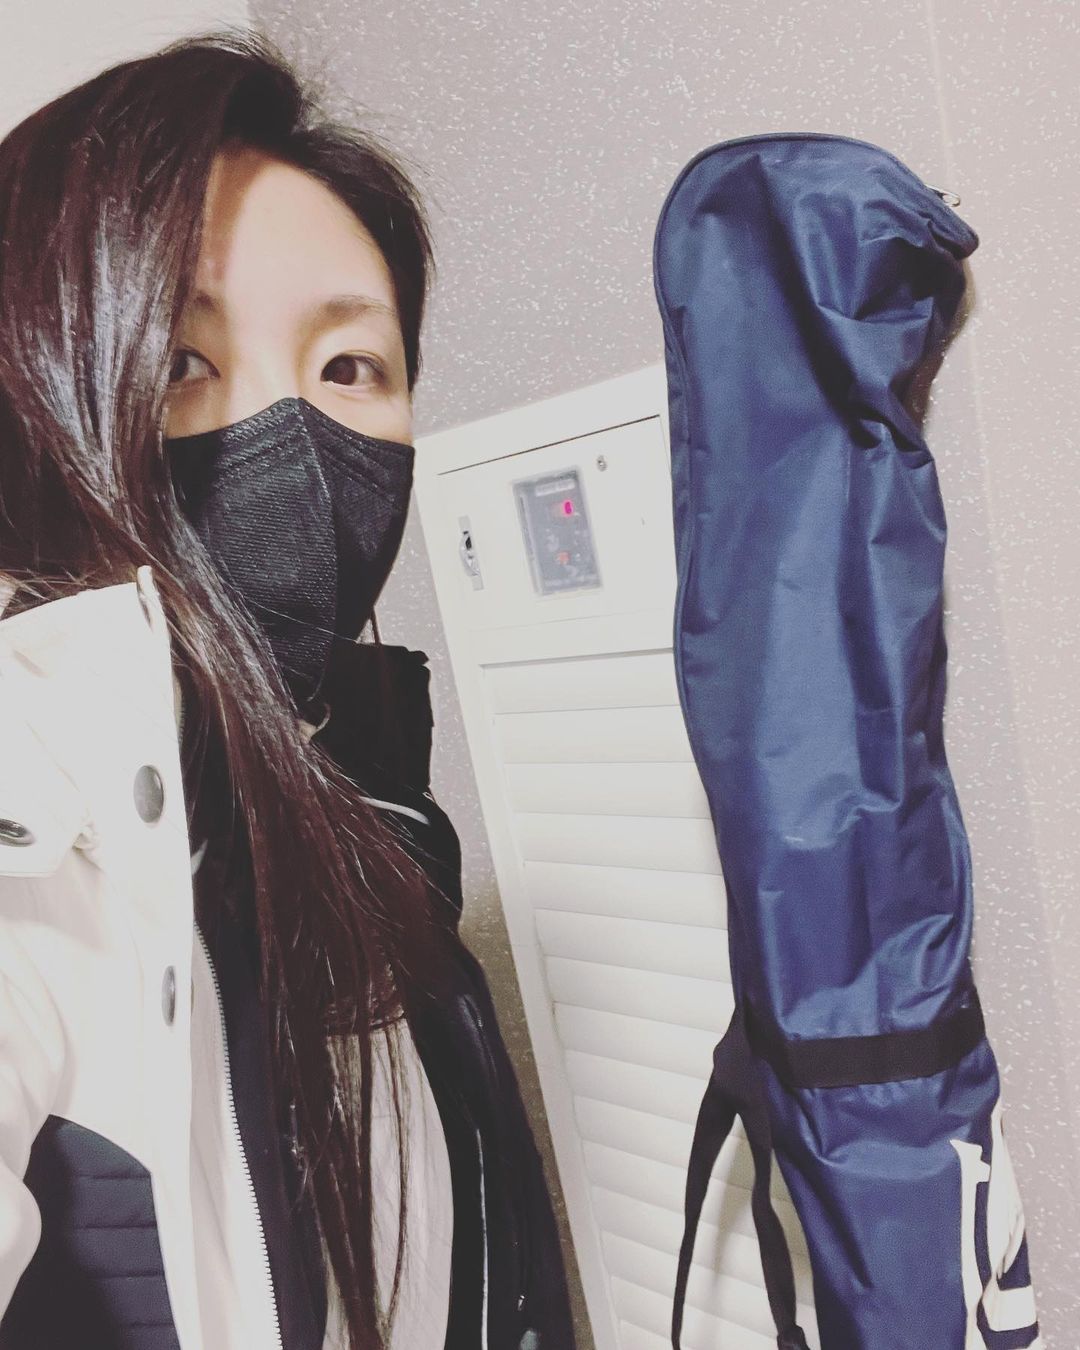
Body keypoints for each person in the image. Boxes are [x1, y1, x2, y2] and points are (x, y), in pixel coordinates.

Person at [0, 26, 576, 1350]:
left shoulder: (373, 809)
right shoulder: (30, 849)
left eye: (349, 367)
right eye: (183, 363)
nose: (296, 443)